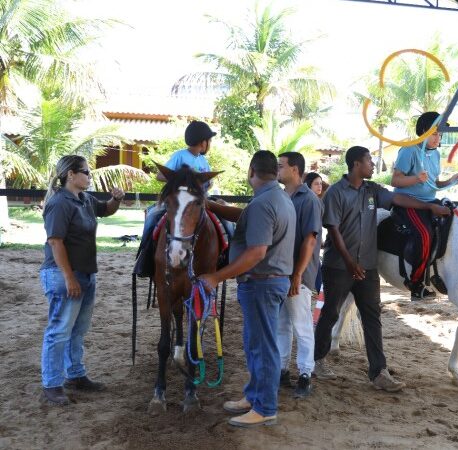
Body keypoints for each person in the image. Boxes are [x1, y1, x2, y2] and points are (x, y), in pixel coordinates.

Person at [313, 146, 451, 392]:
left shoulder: (372, 190)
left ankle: (379, 372)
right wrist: (349, 262)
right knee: (331, 313)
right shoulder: (336, 192)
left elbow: (398, 198)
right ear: (356, 164)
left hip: (366, 267)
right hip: (339, 267)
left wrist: (429, 207)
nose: (373, 165)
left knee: (372, 318)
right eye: (368, 161)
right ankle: (316, 360)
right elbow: (333, 230)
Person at [198, 150, 296, 427]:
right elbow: (247, 216)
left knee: (262, 346)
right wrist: (213, 206)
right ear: (273, 172)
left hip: (261, 282)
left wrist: (217, 277)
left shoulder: (264, 204)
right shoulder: (276, 198)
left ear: (251, 170)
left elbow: (256, 252)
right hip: (268, 282)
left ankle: (265, 408)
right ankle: (255, 396)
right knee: (257, 344)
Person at [39, 155, 125, 406]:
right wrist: (69, 277)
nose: (90, 176)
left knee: (77, 330)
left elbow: (106, 209)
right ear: (71, 175)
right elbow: (55, 242)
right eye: (86, 172)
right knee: (59, 331)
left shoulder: (84, 199)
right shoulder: (59, 203)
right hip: (63, 274)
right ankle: (52, 384)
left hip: (85, 273)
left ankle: (75, 375)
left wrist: (116, 199)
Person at [391, 111, 458, 300]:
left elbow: (434, 184)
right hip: (409, 203)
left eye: (440, 135)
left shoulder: (435, 154)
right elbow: (396, 180)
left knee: (456, 224)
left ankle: (441, 273)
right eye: (434, 134)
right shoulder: (409, 150)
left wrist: (452, 180)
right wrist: (415, 178)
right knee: (424, 234)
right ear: (423, 131)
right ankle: (416, 284)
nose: (438, 138)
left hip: (430, 200)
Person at [134, 120, 218, 278]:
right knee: (152, 218)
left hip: (198, 203)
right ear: (203, 142)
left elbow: (205, 184)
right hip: (177, 203)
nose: (210, 144)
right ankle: (144, 257)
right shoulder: (180, 156)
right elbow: (160, 175)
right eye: (209, 140)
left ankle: (224, 256)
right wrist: (180, 179)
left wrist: (208, 183)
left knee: (223, 222)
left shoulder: (203, 160)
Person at [276, 152, 322, 398]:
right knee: (282, 324)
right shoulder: (283, 196)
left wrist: (298, 275)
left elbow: (311, 239)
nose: (277, 170)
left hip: (297, 274)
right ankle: (283, 369)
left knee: (301, 325)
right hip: (282, 271)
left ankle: (305, 373)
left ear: (294, 169)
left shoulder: (309, 199)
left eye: (281, 166)